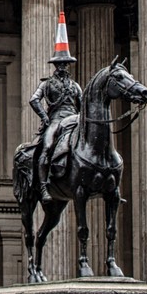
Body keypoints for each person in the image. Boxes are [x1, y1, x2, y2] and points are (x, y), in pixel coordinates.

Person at [29, 17, 83, 201]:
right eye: (60, 64)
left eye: (65, 63)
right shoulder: (47, 84)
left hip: (74, 120)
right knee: (48, 146)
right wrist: (44, 117)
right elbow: (34, 100)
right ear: (55, 66)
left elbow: (82, 106)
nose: (63, 66)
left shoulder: (75, 86)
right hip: (56, 120)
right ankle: (44, 187)